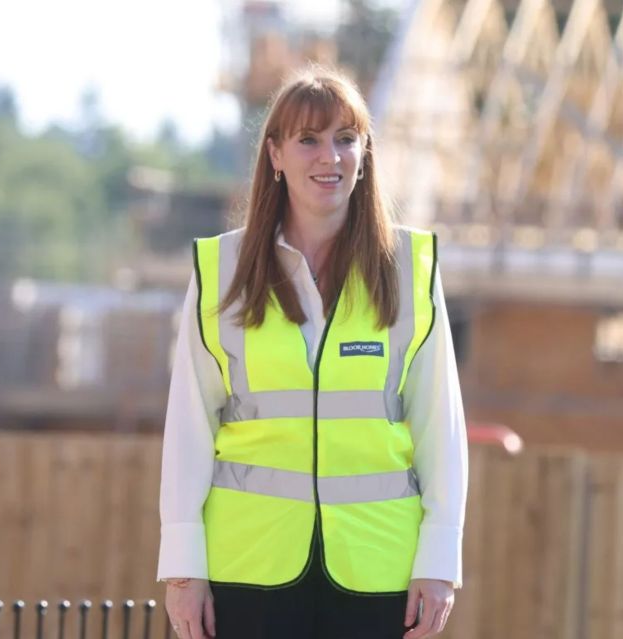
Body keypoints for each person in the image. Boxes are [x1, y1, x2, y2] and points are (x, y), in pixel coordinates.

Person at [157, 65, 468, 639]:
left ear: (365, 151)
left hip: (380, 571)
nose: (330, 157)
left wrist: (440, 562)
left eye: (345, 139)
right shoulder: (220, 272)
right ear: (275, 155)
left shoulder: (411, 269)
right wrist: (182, 570)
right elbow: (189, 427)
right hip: (247, 567)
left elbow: (439, 428)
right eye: (309, 140)